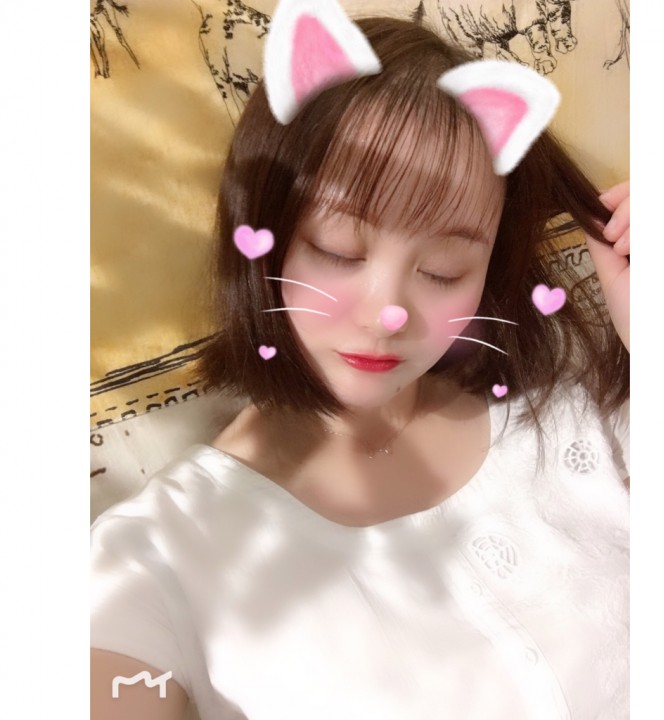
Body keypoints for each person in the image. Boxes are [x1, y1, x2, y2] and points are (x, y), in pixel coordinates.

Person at [90, 13, 630, 720]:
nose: (387, 313)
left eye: (444, 269)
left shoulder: (580, 416)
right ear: (264, 234)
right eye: (339, 250)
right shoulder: (160, 558)